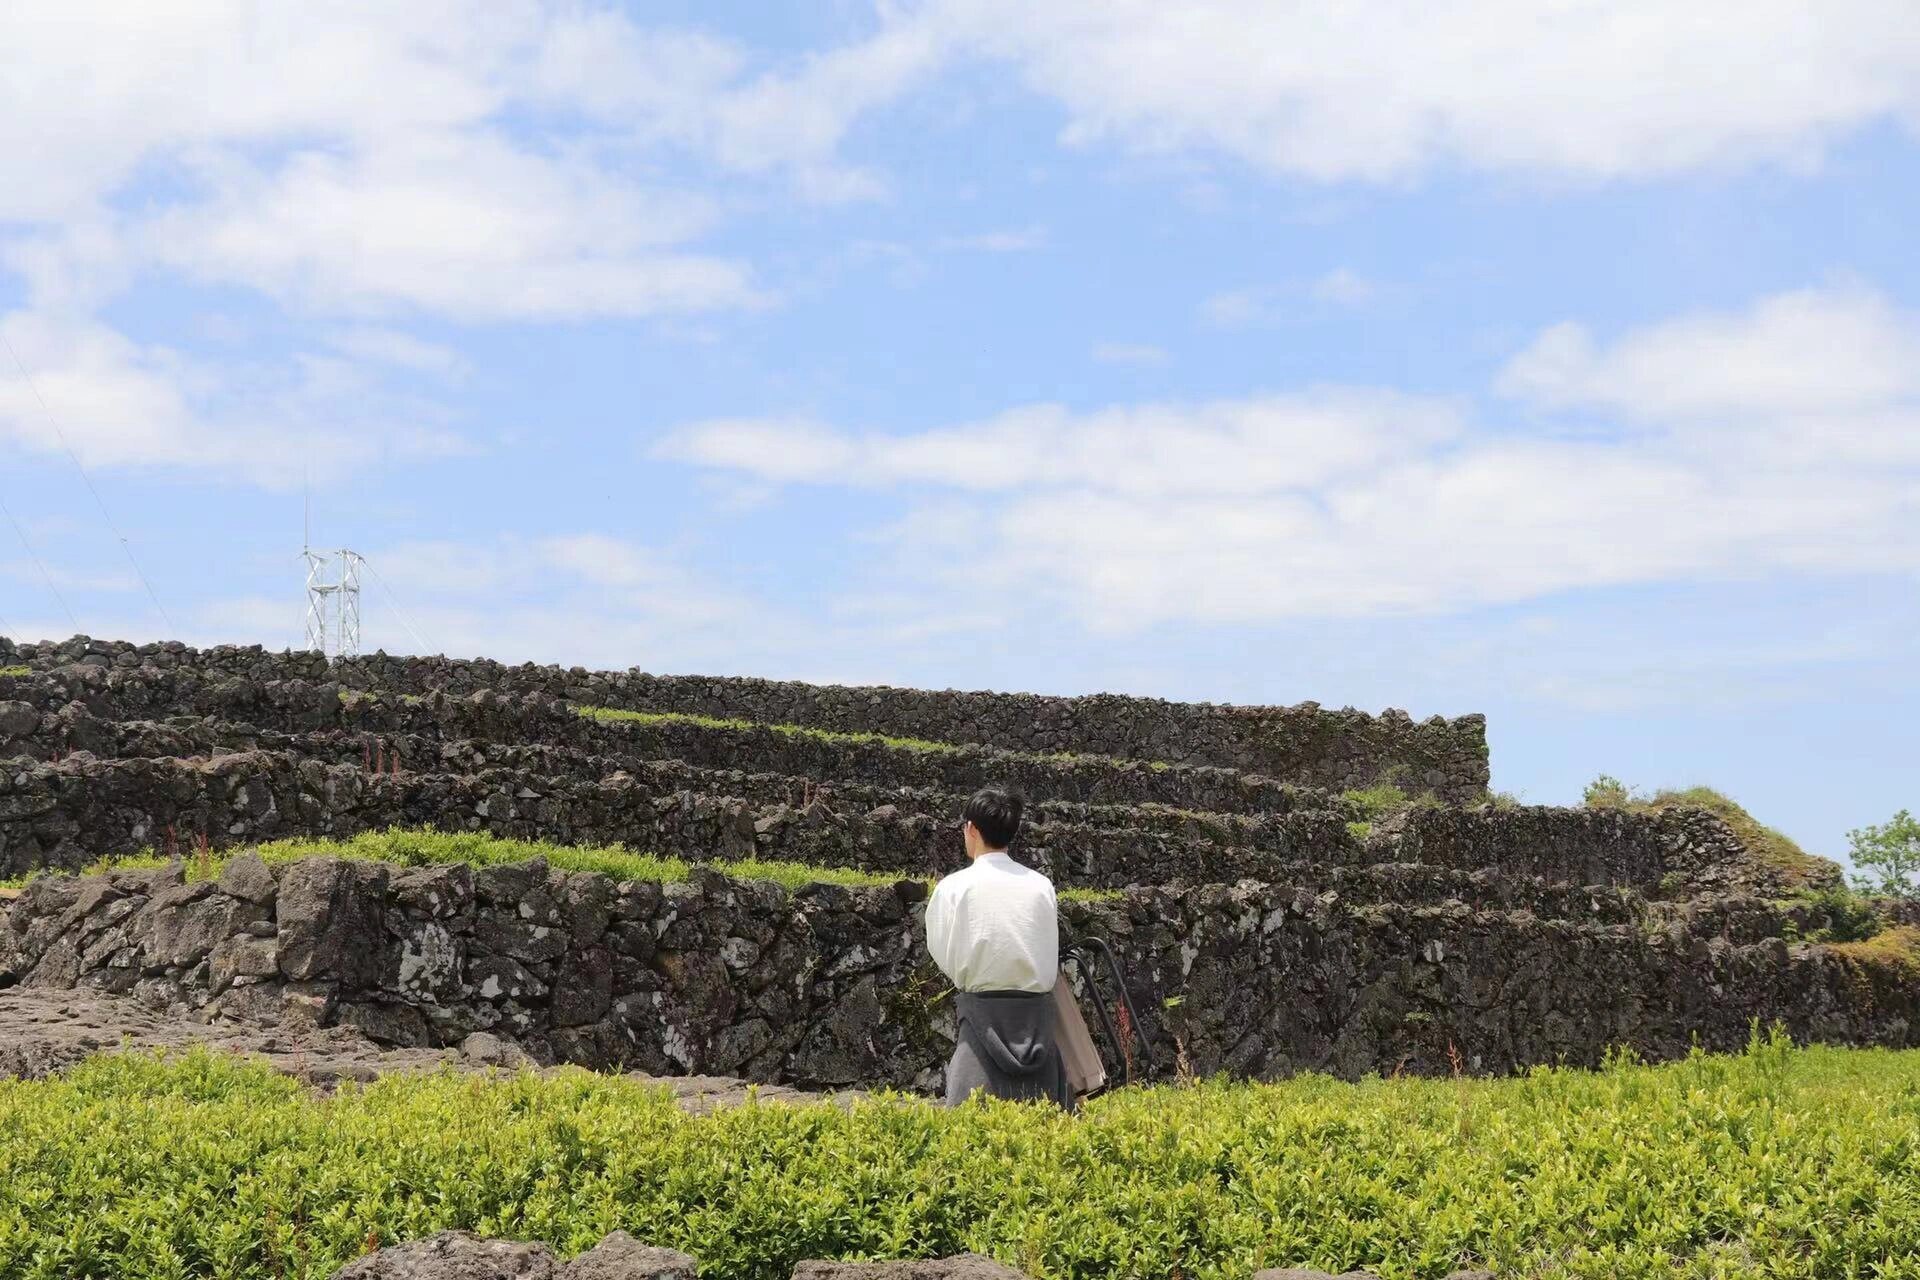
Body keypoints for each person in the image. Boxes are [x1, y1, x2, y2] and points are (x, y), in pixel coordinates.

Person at [924, 787, 1070, 1107]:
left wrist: (971, 971)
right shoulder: (1040, 886)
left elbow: (940, 949)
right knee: (1048, 1135)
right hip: (1038, 1025)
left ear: (972, 829)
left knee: (971, 1136)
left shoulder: (953, 887)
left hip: (980, 1022)